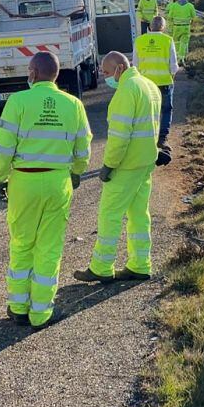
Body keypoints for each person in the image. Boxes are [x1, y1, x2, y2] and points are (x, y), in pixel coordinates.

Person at [0, 51, 92, 328]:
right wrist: (76, 173)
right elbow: (83, 148)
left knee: (22, 244)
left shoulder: (18, 101)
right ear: (56, 75)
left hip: (23, 181)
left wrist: (1, 178)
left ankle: (18, 308)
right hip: (58, 182)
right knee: (49, 248)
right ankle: (41, 313)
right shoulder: (73, 104)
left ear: (33, 74)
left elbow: (4, 147)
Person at [74, 52, 161, 283]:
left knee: (110, 214)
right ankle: (140, 264)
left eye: (106, 72)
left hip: (126, 165)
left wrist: (108, 166)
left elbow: (120, 136)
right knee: (139, 216)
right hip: (145, 163)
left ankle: (102, 267)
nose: (105, 78)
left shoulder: (126, 91)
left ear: (120, 68)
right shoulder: (149, 86)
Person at [132, 15, 178, 150]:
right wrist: (172, 77)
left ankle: (147, 139)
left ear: (150, 27)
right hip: (164, 83)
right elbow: (173, 66)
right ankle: (162, 139)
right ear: (163, 27)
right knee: (166, 110)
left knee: (148, 112)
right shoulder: (168, 40)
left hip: (146, 84)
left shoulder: (139, 41)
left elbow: (135, 64)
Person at [166, 0, 196, 65]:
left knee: (176, 42)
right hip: (186, 27)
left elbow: (169, 17)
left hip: (176, 27)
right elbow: (194, 16)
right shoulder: (190, 6)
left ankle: (175, 58)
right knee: (184, 42)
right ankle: (181, 58)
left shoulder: (174, 6)